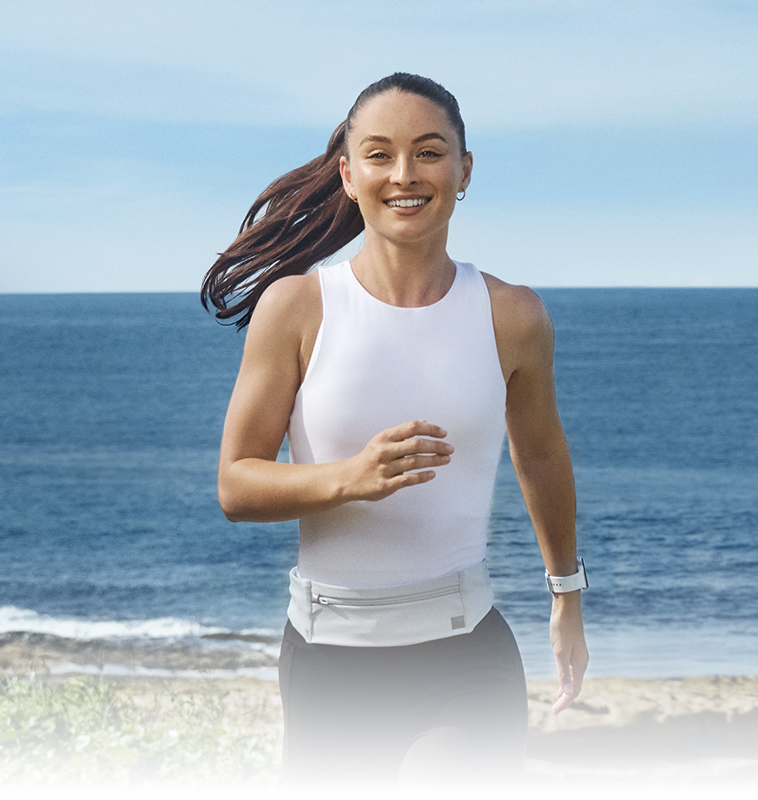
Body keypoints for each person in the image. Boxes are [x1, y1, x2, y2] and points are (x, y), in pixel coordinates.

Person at [204, 72, 587, 781]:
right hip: (329, 658)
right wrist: (349, 479)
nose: (404, 175)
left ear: (464, 171)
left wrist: (566, 595)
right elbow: (235, 484)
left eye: (430, 152)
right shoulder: (297, 308)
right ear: (349, 175)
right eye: (379, 155)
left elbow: (540, 454)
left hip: (465, 647)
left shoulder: (514, 315)